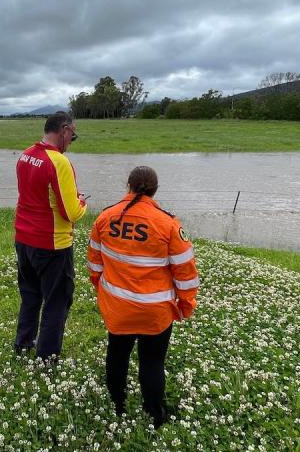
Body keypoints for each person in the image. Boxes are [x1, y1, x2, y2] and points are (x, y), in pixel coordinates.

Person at [87, 166, 198, 427]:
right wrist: (185, 305)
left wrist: (105, 294)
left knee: (117, 354)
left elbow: (94, 265)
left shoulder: (105, 218)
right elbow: (186, 273)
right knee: (152, 361)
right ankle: (155, 414)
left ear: (128, 186)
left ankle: (117, 404)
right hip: (155, 312)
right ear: (155, 189)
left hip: (119, 308)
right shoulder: (168, 224)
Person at [13, 111, 87, 360]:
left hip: (23, 240)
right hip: (53, 244)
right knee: (57, 302)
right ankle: (47, 357)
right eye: (72, 136)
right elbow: (71, 212)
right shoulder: (59, 162)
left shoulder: (25, 155)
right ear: (64, 130)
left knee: (31, 295)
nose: (71, 141)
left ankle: (23, 345)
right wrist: (82, 203)